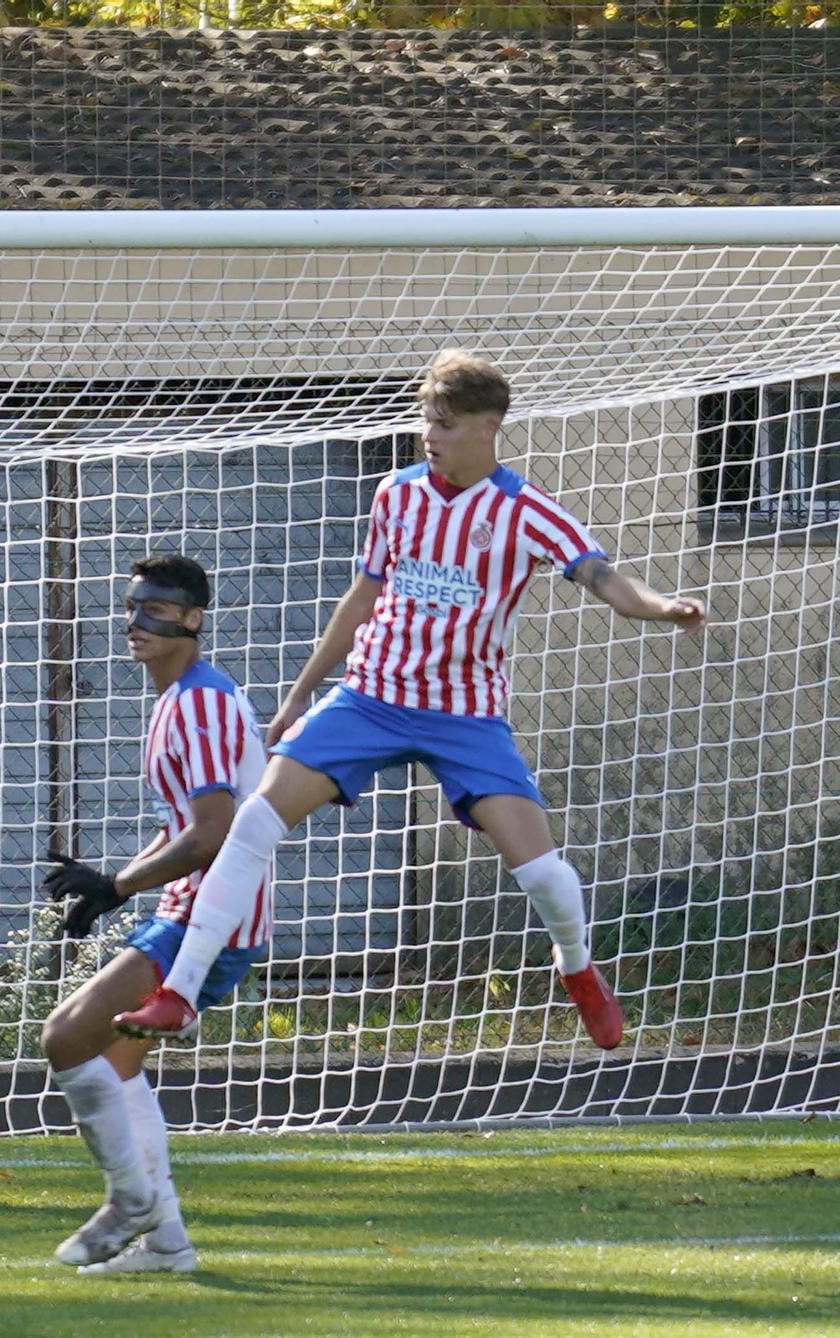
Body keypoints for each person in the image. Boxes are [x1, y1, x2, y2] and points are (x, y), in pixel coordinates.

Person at [117, 350, 708, 1046]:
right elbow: (362, 597)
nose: (430, 432)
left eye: (446, 422)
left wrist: (663, 606)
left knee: (544, 874)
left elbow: (603, 576)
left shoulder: (523, 510)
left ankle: (577, 969)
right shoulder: (396, 494)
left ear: (488, 427)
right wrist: (302, 695)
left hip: (465, 716)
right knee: (253, 823)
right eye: (426, 418)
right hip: (369, 699)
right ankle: (179, 994)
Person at [39, 555, 267, 1275]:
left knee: (67, 1036)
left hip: (212, 919)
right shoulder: (182, 696)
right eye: (132, 606)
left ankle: (131, 1200)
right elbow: (184, 825)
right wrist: (113, 885)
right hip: (197, 909)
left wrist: (118, 885)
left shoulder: (197, 702)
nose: (137, 623)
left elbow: (213, 832)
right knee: (115, 1064)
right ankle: (167, 1243)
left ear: (194, 620)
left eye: (157, 610)